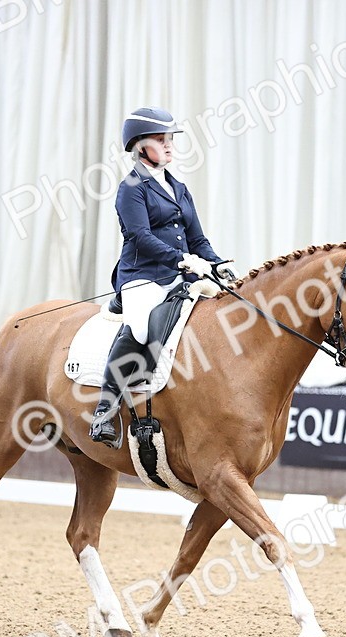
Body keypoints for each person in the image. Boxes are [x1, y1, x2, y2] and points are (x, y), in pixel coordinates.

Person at [89, 106, 224, 447]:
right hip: (141, 274)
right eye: (161, 140)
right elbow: (139, 236)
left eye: (170, 140)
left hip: (181, 274)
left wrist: (217, 265)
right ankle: (104, 410)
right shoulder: (131, 188)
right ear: (139, 146)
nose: (169, 146)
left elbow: (198, 238)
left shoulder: (178, 188)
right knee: (140, 326)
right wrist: (182, 260)